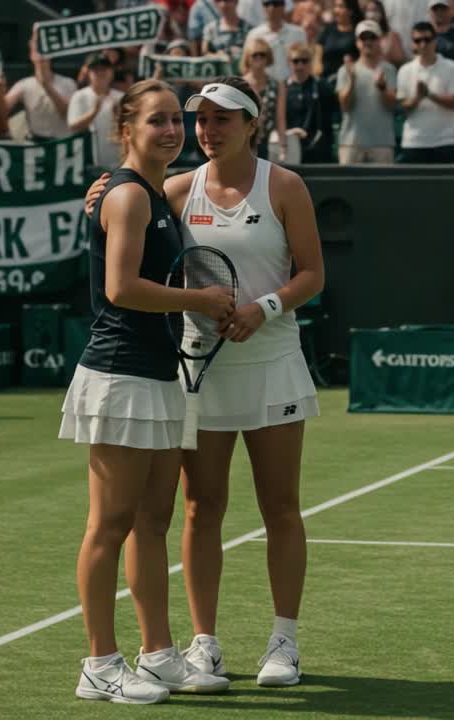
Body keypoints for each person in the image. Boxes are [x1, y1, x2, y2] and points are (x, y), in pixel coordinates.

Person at [83, 75, 325, 690]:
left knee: (280, 508)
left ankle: (283, 643)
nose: (206, 131)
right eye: (201, 120)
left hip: (272, 363)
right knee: (200, 507)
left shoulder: (286, 186)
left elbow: (313, 274)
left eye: (223, 119)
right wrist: (99, 194)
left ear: (252, 123)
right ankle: (204, 644)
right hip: (197, 368)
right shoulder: (171, 189)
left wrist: (262, 309)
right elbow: (123, 211)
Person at [61, 78, 234, 704]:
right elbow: (120, 288)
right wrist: (203, 300)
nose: (171, 131)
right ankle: (98, 665)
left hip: (160, 375)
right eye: (157, 120)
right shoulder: (128, 197)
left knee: (153, 522)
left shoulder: (155, 193)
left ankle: (159, 654)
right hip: (118, 374)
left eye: (175, 122)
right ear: (125, 129)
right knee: (108, 525)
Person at [396, 22, 454, 163]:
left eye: (427, 40)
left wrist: (430, 95)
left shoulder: (452, 67)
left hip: (444, 141)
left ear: (435, 41)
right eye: (418, 40)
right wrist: (418, 97)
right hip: (414, 142)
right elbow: (404, 108)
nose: (423, 44)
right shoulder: (405, 70)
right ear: (413, 44)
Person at [336, 19, 397, 163]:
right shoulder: (346, 70)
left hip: (382, 142)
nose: (367, 42)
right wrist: (351, 81)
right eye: (363, 38)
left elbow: (391, 106)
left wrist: (382, 89)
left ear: (380, 40)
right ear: (357, 42)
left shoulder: (389, 70)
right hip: (351, 143)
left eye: (372, 37)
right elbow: (345, 106)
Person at [7, 39, 76, 145]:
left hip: (62, 145)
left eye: (44, 50)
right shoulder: (24, 85)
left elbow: (67, 114)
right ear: (31, 55)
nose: (41, 55)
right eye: (37, 50)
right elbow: (1, 110)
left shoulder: (68, 83)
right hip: (37, 145)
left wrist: (47, 86)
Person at [68, 53, 126, 170]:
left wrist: (118, 116)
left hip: (119, 163)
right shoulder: (80, 96)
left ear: (111, 72)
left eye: (104, 69)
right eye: (96, 70)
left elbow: (130, 131)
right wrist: (94, 112)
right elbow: (73, 126)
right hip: (88, 165)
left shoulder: (121, 97)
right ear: (89, 73)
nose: (101, 73)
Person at [283, 42, 338, 162]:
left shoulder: (323, 88)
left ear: (311, 62)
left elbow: (331, 119)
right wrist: (290, 132)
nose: (300, 65)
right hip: (289, 149)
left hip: (318, 151)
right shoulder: (282, 89)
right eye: (296, 61)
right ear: (289, 63)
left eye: (305, 61)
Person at [241, 37, 290, 160]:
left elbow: (280, 118)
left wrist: (283, 146)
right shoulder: (240, 84)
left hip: (265, 143)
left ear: (268, 57)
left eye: (262, 54)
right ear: (247, 58)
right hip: (242, 143)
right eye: (255, 55)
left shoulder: (277, 85)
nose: (259, 58)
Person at [246, 0, 309, 83]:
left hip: (293, 87)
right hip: (266, 88)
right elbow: (246, 66)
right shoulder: (254, 35)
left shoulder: (298, 33)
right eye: (267, 4)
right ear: (262, 7)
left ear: (283, 6)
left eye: (276, 3)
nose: (271, 8)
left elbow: (307, 63)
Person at [316, 0, 362, 79]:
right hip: (325, 79)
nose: (336, 10)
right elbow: (318, 50)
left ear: (350, 11)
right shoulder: (329, 29)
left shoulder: (358, 31)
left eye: (340, 7)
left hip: (348, 79)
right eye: (335, 6)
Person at [362, 0, 406, 66]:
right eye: (368, 11)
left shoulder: (392, 36)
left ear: (382, 13)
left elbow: (399, 59)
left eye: (375, 10)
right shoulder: (360, 35)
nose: (372, 14)